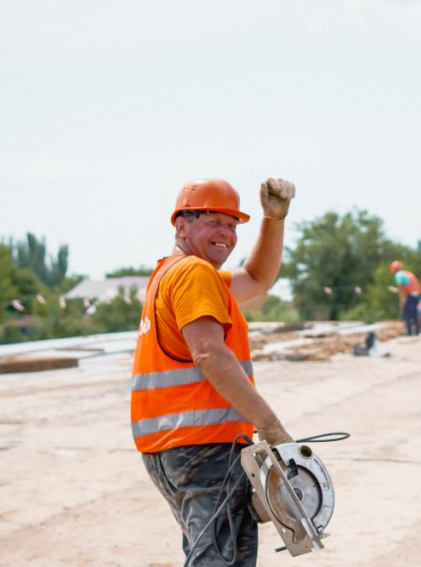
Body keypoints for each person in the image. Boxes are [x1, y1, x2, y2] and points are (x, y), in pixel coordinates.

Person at [131, 178, 296, 565]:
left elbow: (257, 278)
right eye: (213, 221)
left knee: (219, 554)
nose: (226, 234)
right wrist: (269, 424)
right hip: (202, 447)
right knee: (217, 560)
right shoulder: (193, 274)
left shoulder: (172, 274)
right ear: (181, 226)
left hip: (174, 447)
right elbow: (208, 353)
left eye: (233, 225)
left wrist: (274, 219)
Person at [391, 261, 421, 336]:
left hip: (409, 296)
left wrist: (402, 299)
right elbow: (407, 286)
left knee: (407, 315)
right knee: (414, 314)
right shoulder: (408, 273)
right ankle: (417, 331)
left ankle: (409, 333)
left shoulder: (398, 275)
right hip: (416, 295)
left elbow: (401, 287)